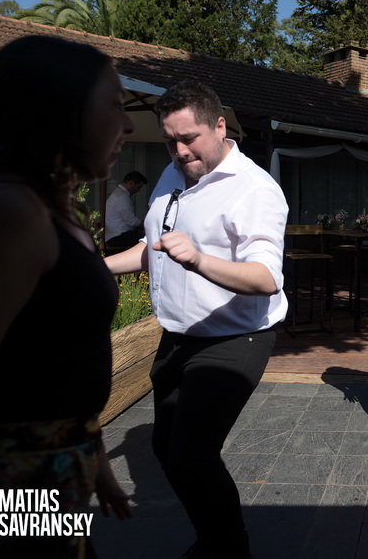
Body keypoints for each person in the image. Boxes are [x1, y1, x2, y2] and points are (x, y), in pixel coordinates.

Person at [0, 35, 133, 558]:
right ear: (61, 110)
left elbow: (54, 356)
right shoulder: (5, 212)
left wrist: (97, 464)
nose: (130, 125)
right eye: (115, 106)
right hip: (8, 492)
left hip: (53, 481)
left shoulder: (55, 210)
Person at [105, 79, 288, 559]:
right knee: (166, 450)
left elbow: (267, 277)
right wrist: (94, 263)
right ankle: (214, 536)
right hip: (180, 335)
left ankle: (228, 548)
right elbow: (153, 248)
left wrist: (200, 260)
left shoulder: (254, 190)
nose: (180, 151)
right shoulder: (170, 175)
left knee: (191, 455)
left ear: (219, 126)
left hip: (237, 335)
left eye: (189, 138)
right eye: (170, 139)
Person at [104, 170, 148, 248]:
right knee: (148, 239)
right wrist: (148, 224)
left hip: (115, 236)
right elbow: (132, 222)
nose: (138, 191)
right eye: (138, 187)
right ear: (131, 183)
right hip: (118, 237)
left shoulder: (118, 194)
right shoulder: (121, 197)